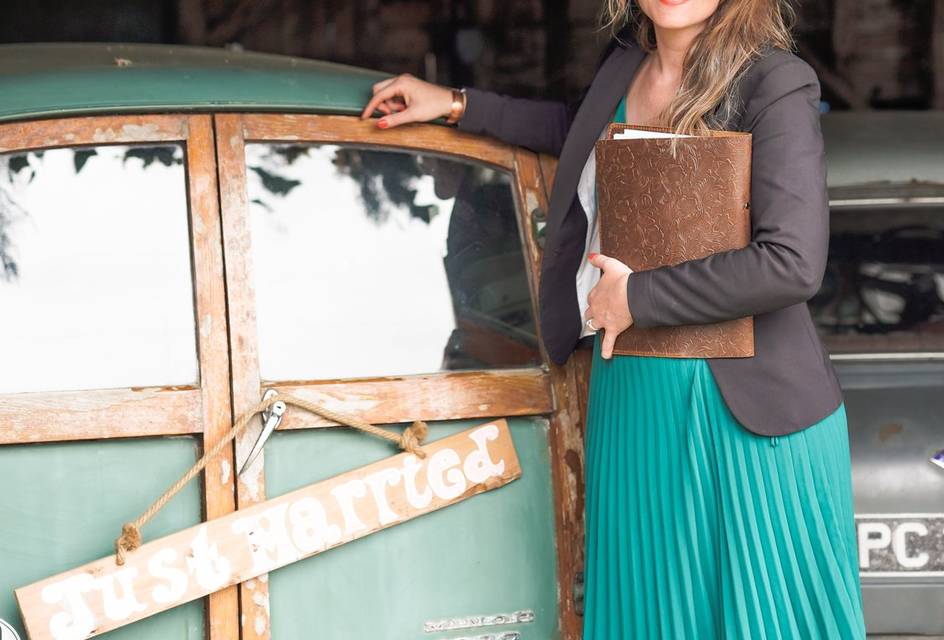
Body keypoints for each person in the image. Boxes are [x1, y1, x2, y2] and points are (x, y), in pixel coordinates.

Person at [361, 0, 867, 637]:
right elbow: (578, 132)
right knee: (649, 616)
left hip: (746, 414)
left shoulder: (774, 80)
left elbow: (792, 263)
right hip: (634, 395)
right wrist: (458, 103)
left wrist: (639, 298)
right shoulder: (625, 64)